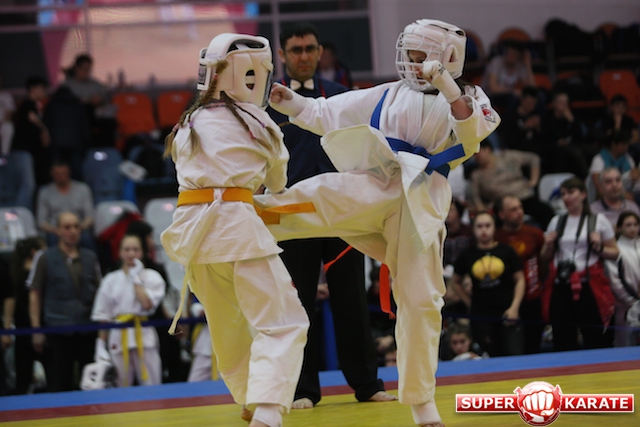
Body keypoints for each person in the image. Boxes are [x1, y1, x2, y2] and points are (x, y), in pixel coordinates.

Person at [259, 18, 500, 427]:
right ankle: (249, 212)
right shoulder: (389, 93)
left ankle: (422, 403)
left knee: (422, 303)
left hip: (420, 204)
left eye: (421, 57)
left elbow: (472, 134)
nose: (412, 64)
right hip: (377, 185)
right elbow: (325, 111)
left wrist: (445, 85)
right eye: (410, 55)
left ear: (447, 59)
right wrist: (291, 102)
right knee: (321, 194)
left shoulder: (471, 97)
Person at [160, 33, 309, 427]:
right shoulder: (258, 121)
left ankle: (248, 399)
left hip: (194, 236)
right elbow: (278, 183)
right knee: (284, 322)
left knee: (226, 327)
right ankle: (268, 411)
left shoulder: (187, 121)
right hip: (238, 231)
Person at [270, 22, 392, 409]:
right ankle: (302, 389)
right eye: (296, 50)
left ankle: (367, 384)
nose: (303, 56)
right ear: (282, 55)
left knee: (352, 299)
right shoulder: (268, 104)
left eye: (309, 48)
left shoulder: (342, 98)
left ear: (320, 51)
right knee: (297, 303)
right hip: (293, 216)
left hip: (343, 214)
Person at [540, 177, 619, 351]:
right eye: (563, 194)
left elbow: (615, 253)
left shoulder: (598, 220)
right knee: (562, 339)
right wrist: (548, 245)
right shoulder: (556, 221)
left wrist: (600, 247)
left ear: (583, 194)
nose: (567, 198)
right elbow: (544, 257)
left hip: (588, 284)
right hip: (562, 284)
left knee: (595, 337)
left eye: (571, 192)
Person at [28, 212, 102, 392]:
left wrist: (102, 328)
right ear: (58, 231)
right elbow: (35, 294)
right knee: (60, 384)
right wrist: (36, 329)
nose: (73, 231)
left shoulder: (90, 257)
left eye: (76, 226)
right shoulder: (45, 258)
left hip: (87, 328)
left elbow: (100, 293)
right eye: (67, 227)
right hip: (58, 328)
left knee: (90, 384)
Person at [91, 234, 165, 387]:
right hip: (118, 334)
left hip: (143, 333)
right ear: (120, 252)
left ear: (143, 253)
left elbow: (147, 304)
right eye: (127, 249)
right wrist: (100, 344)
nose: (131, 254)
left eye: (136, 249)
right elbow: (104, 315)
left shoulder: (152, 276)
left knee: (152, 384)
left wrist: (135, 278)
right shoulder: (110, 280)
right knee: (120, 386)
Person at [451, 211, 525, 357]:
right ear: (473, 229)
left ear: (494, 228)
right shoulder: (467, 254)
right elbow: (455, 281)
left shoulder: (506, 250)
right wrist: (469, 303)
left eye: (487, 225)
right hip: (482, 315)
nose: (484, 230)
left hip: (507, 311)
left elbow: (520, 280)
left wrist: (515, 307)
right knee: (490, 356)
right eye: (479, 226)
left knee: (514, 355)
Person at [495, 195, 546, 354]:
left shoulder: (535, 234)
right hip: (505, 300)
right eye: (513, 209)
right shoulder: (496, 237)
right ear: (502, 214)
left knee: (533, 347)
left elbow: (544, 263)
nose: (519, 212)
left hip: (532, 297)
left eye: (520, 208)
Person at [469, 140, 555, 228]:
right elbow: (474, 195)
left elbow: (533, 158)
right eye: (474, 155)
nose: (476, 157)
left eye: (477, 153)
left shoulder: (508, 157)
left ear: (487, 149)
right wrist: (480, 207)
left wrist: (534, 180)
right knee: (490, 221)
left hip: (523, 197)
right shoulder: (477, 175)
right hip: (500, 204)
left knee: (546, 212)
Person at [4, 237, 46, 394]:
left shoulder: (14, 271)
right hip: (39, 328)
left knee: (22, 380)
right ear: (35, 252)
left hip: (21, 329)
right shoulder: (35, 276)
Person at [36, 160, 95, 250]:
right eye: (57, 174)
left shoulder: (83, 189)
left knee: (86, 238)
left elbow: (89, 216)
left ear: (69, 172)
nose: (61, 176)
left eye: (63, 173)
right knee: (51, 239)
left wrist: (80, 227)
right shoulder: (45, 192)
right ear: (51, 174)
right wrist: (56, 230)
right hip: (55, 230)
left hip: (78, 228)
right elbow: (41, 221)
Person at [10, 76, 49, 206]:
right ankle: (20, 214)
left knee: (30, 185)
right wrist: (44, 130)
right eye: (42, 88)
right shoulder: (27, 104)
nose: (44, 92)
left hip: (29, 152)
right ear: (33, 89)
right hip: (22, 151)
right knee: (28, 185)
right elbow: (32, 117)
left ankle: (27, 213)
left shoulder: (36, 106)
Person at [605, 211, 640, 347]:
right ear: (619, 228)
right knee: (625, 344)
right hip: (625, 306)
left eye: (636, 224)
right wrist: (632, 301)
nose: (633, 228)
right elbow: (614, 280)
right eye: (628, 225)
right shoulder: (616, 250)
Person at [542, 91, 589, 178]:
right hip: (556, 147)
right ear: (554, 103)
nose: (564, 105)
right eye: (561, 102)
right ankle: (586, 177)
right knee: (576, 152)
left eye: (566, 102)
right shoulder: (548, 119)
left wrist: (571, 120)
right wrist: (557, 141)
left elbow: (580, 135)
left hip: (574, 144)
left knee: (592, 150)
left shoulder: (571, 117)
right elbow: (546, 138)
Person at [482, 40, 536, 111]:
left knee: (538, 97)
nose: (509, 56)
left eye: (513, 54)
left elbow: (532, 88)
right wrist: (512, 91)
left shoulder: (519, 66)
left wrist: (527, 64)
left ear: (519, 56)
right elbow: (493, 88)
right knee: (513, 98)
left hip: (508, 95)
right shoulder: (496, 62)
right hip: (489, 96)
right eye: (508, 53)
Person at [589, 131, 640, 202]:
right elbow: (598, 184)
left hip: (627, 192)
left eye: (627, 144)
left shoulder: (627, 158)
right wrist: (621, 194)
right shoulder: (599, 159)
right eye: (623, 144)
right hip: (606, 196)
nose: (626, 147)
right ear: (613, 144)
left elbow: (635, 174)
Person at [0, 73, 15, 156]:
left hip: (2, 124)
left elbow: (9, 115)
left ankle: (4, 156)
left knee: (8, 127)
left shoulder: (6, 96)